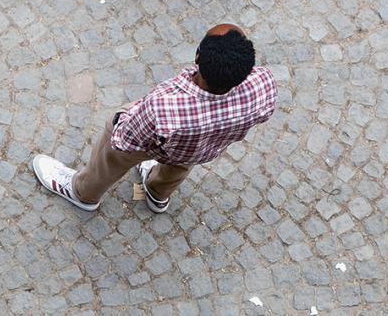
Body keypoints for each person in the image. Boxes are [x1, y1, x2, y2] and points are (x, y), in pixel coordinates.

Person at [30, 24, 277, 213]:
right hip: (199, 149)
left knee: (112, 155)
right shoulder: (264, 84)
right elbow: (263, 115)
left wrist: (120, 119)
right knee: (179, 164)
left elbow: (125, 141)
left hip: (156, 138)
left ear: (198, 57)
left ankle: (82, 193)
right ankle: (157, 194)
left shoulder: (164, 106)